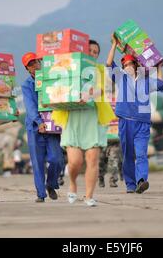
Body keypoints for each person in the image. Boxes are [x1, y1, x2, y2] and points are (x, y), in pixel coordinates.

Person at [52, 39, 115, 207]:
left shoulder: (100, 71)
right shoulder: (69, 69)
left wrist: (90, 94)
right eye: (90, 51)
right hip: (73, 119)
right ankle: (72, 183)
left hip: (93, 119)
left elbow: (105, 88)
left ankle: (89, 196)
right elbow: (57, 87)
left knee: (92, 159)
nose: (93, 54)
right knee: (75, 162)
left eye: (96, 52)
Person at [106, 34, 163, 194]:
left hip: (142, 123)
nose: (128, 66)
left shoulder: (145, 81)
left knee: (141, 154)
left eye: (130, 63)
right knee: (128, 155)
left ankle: (141, 180)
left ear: (136, 64)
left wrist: (160, 66)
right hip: (125, 122)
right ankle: (130, 185)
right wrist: (114, 44)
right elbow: (108, 63)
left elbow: (160, 84)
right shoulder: (120, 78)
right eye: (125, 64)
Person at [21, 52, 62, 202]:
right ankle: (41, 194)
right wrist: (39, 122)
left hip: (52, 125)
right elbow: (30, 106)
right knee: (38, 162)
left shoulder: (50, 79)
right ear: (27, 69)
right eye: (31, 64)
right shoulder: (26, 85)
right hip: (35, 127)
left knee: (57, 159)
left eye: (36, 62)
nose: (35, 66)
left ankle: (51, 184)